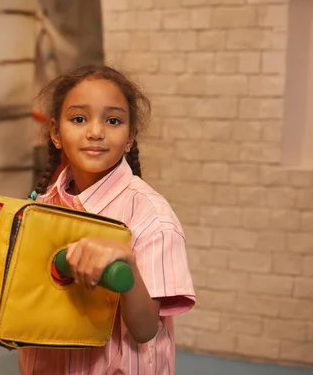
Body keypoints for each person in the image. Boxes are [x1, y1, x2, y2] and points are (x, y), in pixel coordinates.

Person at [20, 65, 196, 374]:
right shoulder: (43, 207)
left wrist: (126, 267)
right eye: (79, 119)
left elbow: (145, 330)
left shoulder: (151, 217)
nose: (95, 131)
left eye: (113, 120)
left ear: (129, 138)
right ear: (55, 133)